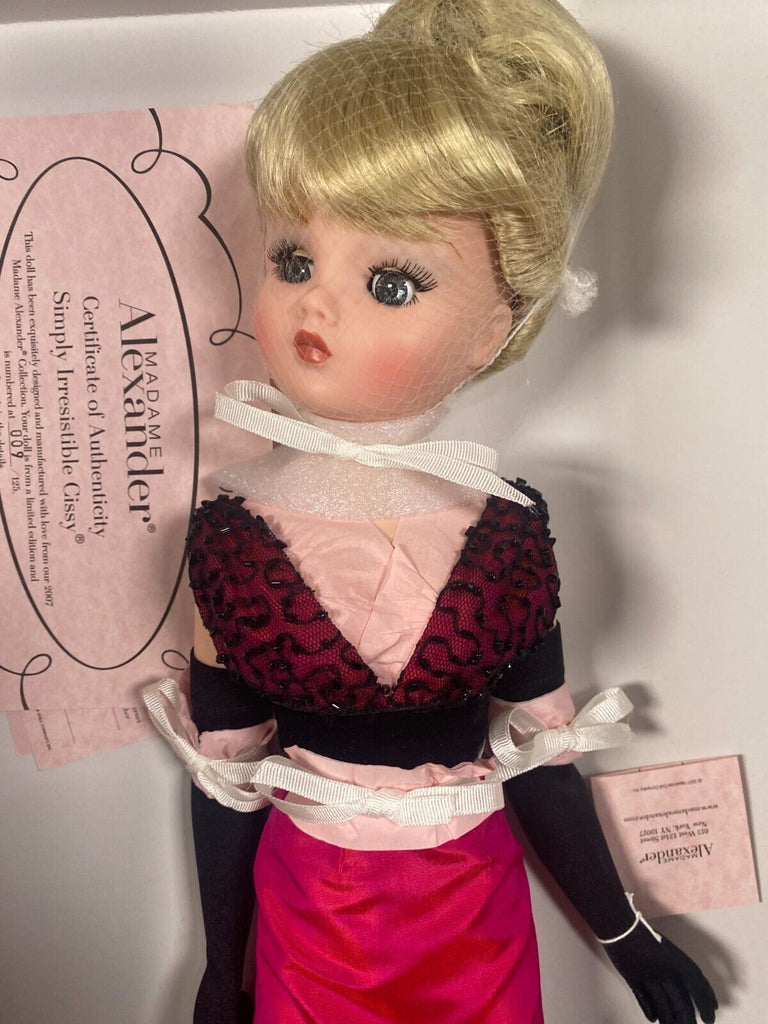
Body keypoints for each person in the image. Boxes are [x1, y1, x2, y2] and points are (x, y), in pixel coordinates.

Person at [145, 1, 718, 1021]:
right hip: (313, 917)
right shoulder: (231, 540)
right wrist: (221, 970)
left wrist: (628, 937)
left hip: (474, 915)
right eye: (293, 261)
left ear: (496, 324)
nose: (316, 305)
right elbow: (225, 776)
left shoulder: (506, 532)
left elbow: (541, 767)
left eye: (392, 282)